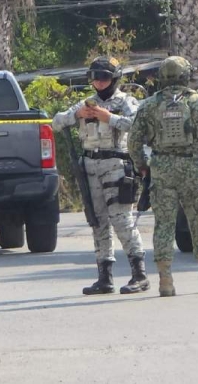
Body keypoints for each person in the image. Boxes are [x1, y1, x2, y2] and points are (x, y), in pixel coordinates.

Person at [128, 56, 198, 297]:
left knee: (164, 225)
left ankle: (165, 282)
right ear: (186, 76)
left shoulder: (148, 106)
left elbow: (133, 142)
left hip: (161, 169)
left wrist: (142, 166)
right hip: (191, 168)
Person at [52, 56, 149, 295]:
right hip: (90, 166)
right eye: (95, 78)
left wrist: (110, 118)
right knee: (98, 221)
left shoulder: (126, 101)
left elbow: (138, 125)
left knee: (121, 220)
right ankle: (104, 277)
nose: (99, 82)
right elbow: (57, 122)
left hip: (116, 164)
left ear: (114, 79)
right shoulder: (87, 104)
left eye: (104, 77)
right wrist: (77, 114)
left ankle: (139, 275)